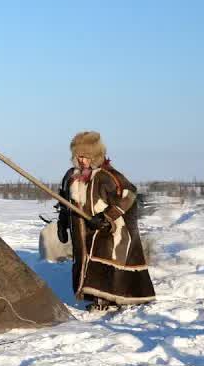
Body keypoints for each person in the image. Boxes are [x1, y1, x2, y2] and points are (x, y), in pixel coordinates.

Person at [56, 131, 155, 310]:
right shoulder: (70, 176)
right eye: (78, 156)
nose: (81, 160)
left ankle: (107, 299)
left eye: (85, 156)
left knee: (102, 262)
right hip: (81, 230)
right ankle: (96, 298)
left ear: (95, 156)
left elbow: (127, 195)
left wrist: (105, 217)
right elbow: (64, 202)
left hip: (106, 230)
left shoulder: (107, 176)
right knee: (85, 262)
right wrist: (62, 224)